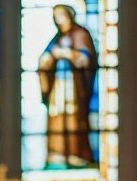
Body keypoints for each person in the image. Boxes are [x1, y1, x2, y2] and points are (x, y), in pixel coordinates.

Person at [37, 4, 99, 168]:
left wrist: (67, 54)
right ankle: (57, 155)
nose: (59, 20)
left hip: (75, 88)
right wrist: (47, 60)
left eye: (62, 16)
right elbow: (45, 61)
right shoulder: (56, 39)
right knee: (56, 117)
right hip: (58, 86)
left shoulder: (80, 34)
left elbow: (86, 59)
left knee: (74, 118)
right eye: (56, 17)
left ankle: (76, 155)